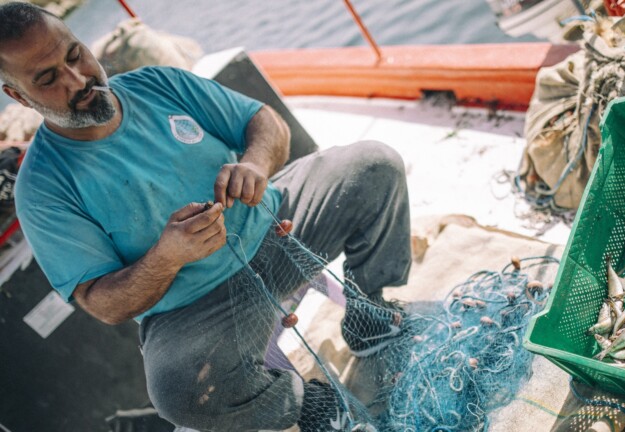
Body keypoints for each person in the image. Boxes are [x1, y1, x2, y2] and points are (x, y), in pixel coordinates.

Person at [0, 3, 411, 431]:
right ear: (19, 96)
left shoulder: (158, 83)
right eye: (47, 78)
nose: (78, 79)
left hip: (280, 226)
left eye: (73, 54)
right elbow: (101, 303)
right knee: (179, 392)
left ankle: (368, 317)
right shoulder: (41, 188)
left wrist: (254, 164)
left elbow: (264, 123)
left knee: (374, 165)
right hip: (200, 309)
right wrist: (167, 256)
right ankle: (317, 407)